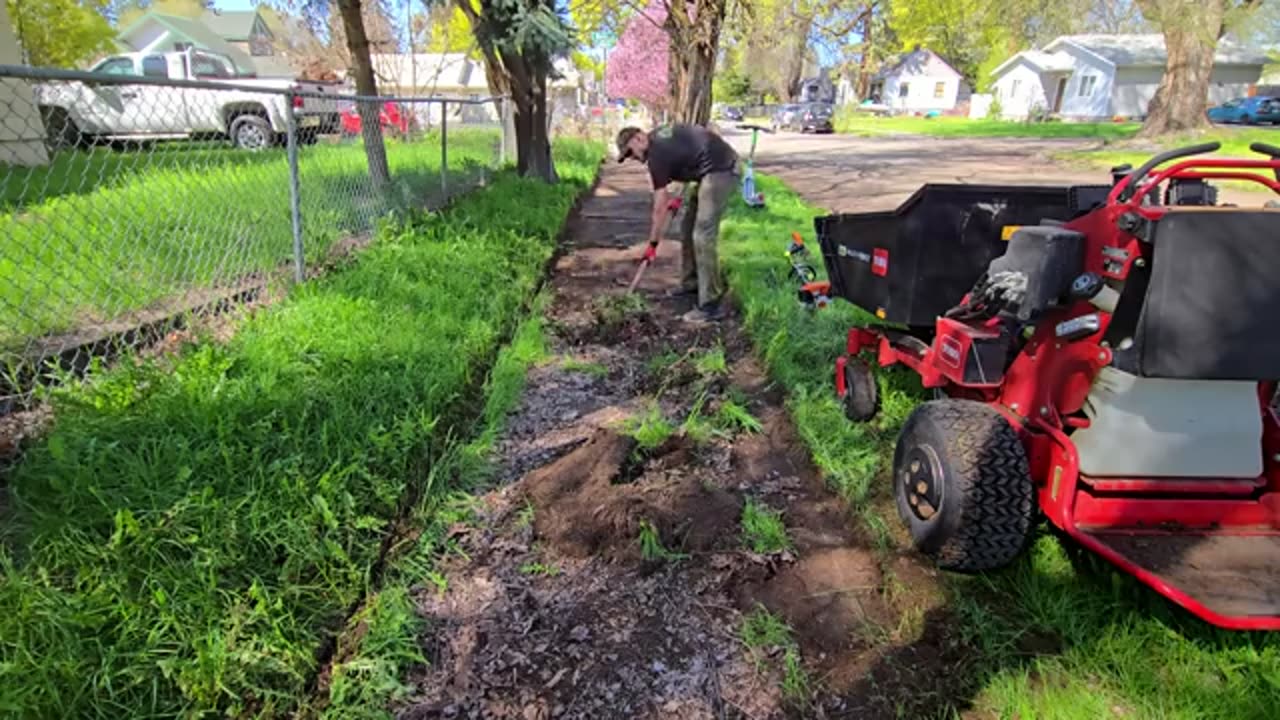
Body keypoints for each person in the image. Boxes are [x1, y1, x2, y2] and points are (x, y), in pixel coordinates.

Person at [617, 123, 740, 323]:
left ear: (639, 138)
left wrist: (653, 243)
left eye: (631, 152)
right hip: (706, 171)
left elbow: (659, 208)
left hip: (721, 170)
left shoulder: (656, 154)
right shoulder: (658, 140)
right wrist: (681, 191)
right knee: (687, 228)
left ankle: (711, 303)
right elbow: (686, 153)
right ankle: (691, 282)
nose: (634, 158)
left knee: (703, 234)